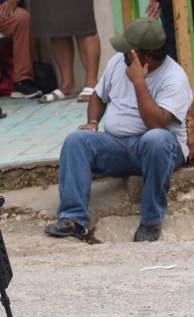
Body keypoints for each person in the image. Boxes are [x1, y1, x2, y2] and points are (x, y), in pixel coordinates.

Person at [44, 17, 192, 243]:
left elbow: (156, 124)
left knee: (156, 139)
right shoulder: (116, 63)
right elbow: (98, 95)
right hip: (118, 145)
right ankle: (73, 219)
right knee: (77, 140)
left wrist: (139, 83)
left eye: (129, 51)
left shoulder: (174, 78)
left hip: (159, 149)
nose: (123, 54)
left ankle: (151, 220)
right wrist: (93, 122)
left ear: (146, 56)